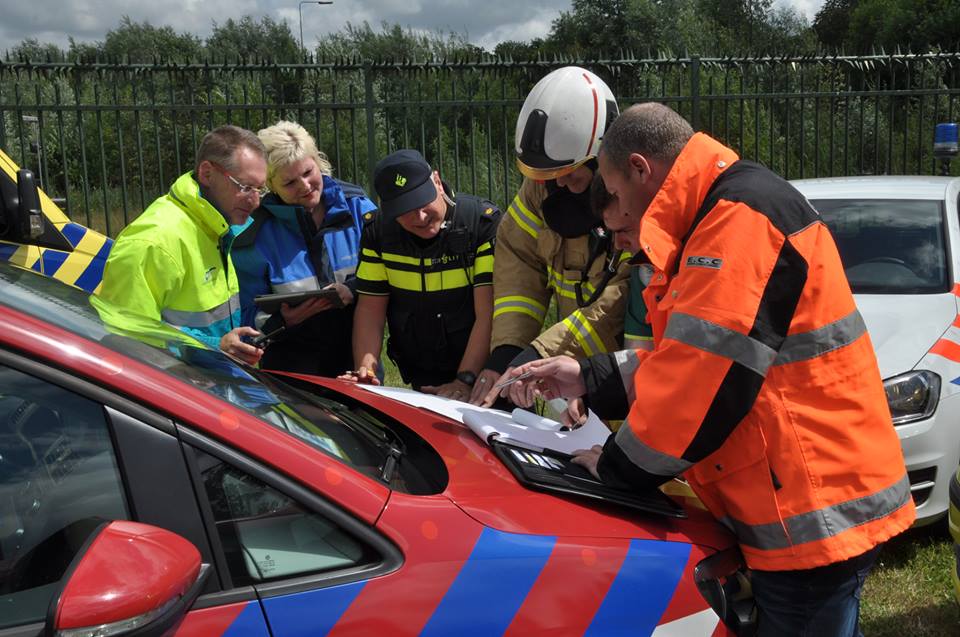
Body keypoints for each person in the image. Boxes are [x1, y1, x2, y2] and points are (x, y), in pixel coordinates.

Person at [489, 103, 915, 636]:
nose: (616, 216)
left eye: (616, 194)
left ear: (642, 169)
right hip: (796, 502)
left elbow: (701, 384)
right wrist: (588, 376)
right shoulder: (721, 215)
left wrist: (616, 469)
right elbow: (690, 362)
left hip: (810, 512)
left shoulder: (738, 221)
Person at [469, 66, 631, 404]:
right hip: (571, 376)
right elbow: (518, 263)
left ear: (603, 161)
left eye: (570, 176)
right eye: (548, 175)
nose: (558, 185)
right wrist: (507, 354)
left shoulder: (635, 202)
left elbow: (614, 304)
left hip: (628, 377)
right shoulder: (542, 187)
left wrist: (532, 358)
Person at [94, 125, 266, 366]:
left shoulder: (217, 228)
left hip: (205, 387)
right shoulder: (153, 241)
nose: (255, 201)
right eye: (246, 187)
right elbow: (128, 342)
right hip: (170, 395)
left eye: (260, 189)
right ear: (207, 173)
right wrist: (214, 347)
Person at [343, 149, 501, 399]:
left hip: (484, 375)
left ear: (437, 182)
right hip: (423, 373)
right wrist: (366, 368)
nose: (420, 217)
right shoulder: (378, 232)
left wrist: (464, 379)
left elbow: (488, 313)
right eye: (405, 210)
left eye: (422, 201)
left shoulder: (481, 224)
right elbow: (370, 310)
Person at [231, 121, 377, 377]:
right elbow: (243, 316)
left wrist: (352, 290)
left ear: (317, 161)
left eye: (309, 172)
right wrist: (283, 321)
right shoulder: (255, 235)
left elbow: (389, 273)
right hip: (292, 367)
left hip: (360, 359)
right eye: (289, 183)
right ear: (270, 185)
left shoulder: (358, 209)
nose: (305, 186)